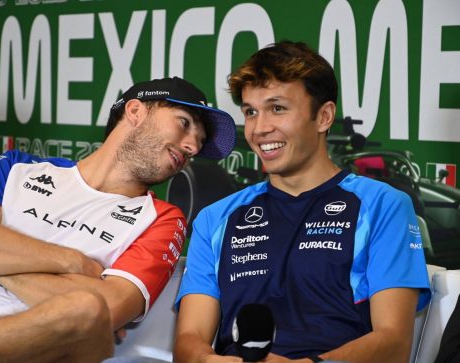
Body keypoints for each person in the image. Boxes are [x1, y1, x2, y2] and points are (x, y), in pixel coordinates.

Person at [0, 76, 236, 363]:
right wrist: (73, 263)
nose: (193, 145)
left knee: (86, 309)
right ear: (136, 112)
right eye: (184, 123)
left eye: (199, 140)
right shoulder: (15, 168)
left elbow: (104, 309)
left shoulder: (163, 219)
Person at [173, 41, 431, 363]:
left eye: (277, 108)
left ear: (323, 117)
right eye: (251, 112)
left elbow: (393, 344)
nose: (260, 128)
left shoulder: (383, 206)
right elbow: (189, 341)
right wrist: (210, 361)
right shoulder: (216, 218)